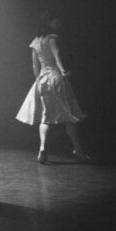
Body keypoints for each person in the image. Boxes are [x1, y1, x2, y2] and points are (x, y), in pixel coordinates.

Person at [15, 10, 91, 164]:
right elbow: (57, 58)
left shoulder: (35, 41)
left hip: (42, 79)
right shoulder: (52, 39)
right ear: (49, 23)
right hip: (55, 78)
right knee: (69, 117)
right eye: (56, 22)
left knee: (45, 117)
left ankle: (42, 147)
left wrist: (39, 81)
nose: (58, 25)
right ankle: (78, 150)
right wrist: (64, 72)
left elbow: (35, 66)